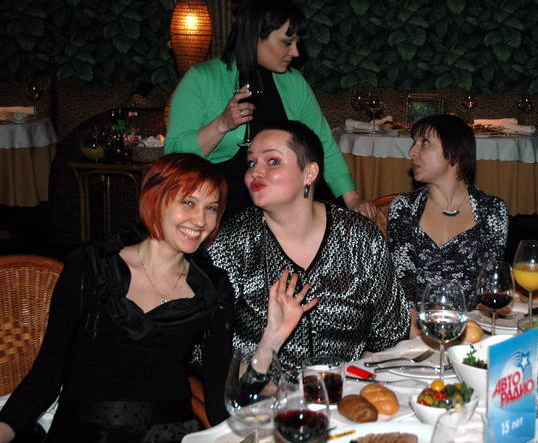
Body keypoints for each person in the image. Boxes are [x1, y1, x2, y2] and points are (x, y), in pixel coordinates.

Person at [0, 154, 313, 443]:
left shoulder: (212, 289)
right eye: (188, 202)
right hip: (83, 434)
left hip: (171, 434)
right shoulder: (91, 267)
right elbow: (46, 376)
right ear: (155, 199)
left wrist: (272, 337)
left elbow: (219, 401)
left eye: (211, 208)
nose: (200, 220)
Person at [208, 120, 410, 372]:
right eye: (251, 163)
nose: (255, 173)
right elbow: (208, 348)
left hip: (349, 387)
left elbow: (391, 330)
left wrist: (355, 381)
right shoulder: (233, 242)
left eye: (273, 161)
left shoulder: (360, 237)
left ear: (309, 173)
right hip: (260, 391)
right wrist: (262, 383)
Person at [165, 0, 375, 221]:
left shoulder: (293, 82)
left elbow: (322, 143)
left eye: (297, 43)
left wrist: (352, 198)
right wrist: (221, 125)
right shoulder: (202, 78)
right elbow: (173, 156)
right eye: (286, 42)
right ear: (256, 36)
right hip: (218, 210)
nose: (295, 52)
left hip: (284, 212)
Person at [387, 114, 509, 310]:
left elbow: (488, 284)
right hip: (415, 323)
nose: (412, 152)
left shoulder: (491, 210)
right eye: (414, 143)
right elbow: (402, 285)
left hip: (471, 323)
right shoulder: (404, 208)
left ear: (454, 152)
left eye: (425, 143)